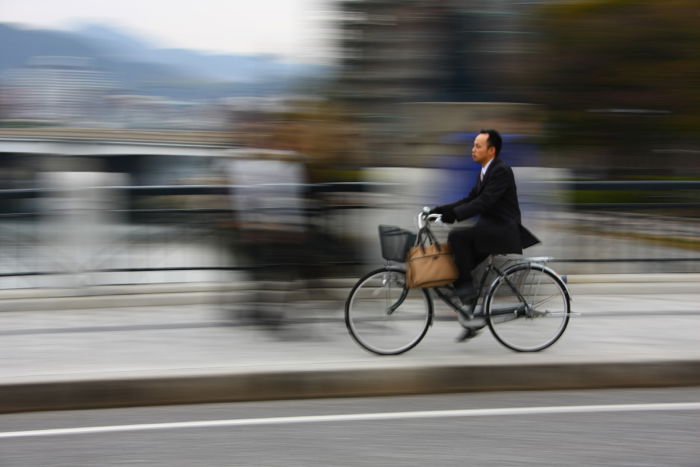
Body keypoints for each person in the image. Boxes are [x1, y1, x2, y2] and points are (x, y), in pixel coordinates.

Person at [430, 129, 539, 340]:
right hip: (490, 229)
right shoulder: (485, 172)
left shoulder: (501, 171)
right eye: (473, 145)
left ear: (492, 150)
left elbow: (483, 202)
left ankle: (466, 294)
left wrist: (454, 217)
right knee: (463, 265)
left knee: (457, 238)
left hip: (502, 230)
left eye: (478, 146)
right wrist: (439, 210)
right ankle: (470, 316)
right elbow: (469, 199)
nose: (473, 149)